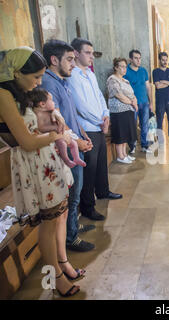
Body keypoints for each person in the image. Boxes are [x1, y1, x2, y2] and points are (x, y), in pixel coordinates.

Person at [0, 47, 81, 297]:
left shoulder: (23, 91)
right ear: (15, 72)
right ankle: (54, 277)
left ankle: (62, 262)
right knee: (48, 223)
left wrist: (55, 117)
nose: (38, 82)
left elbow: (40, 119)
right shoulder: (3, 95)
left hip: (44, 160)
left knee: (59, 216)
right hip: (32, 163)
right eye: (35, 77)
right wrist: (59, 134)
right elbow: (26, 141)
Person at [41, 39, 95, 253]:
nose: (73, 64)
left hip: (74, 141)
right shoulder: (49, 84)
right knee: (71, 196)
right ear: (54, 60)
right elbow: (53, 124)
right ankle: (71, 237)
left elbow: (70, 114)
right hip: (63, 150)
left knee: (76, 193)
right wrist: (77, 141)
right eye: (69, 59)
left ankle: (73, 226)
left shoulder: (62, 80)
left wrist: (82, 134)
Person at [68, 38, 122, 222]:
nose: (92, 56)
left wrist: (106, 115)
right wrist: (100, 121)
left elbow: (99, 95)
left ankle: (103, 191)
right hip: (87, 128)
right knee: (89, 169)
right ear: (76, 53)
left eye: (92, 53)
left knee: (100, 164)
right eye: (88, 53)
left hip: (100, 124)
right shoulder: (73, 75)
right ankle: (88, 207)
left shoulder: (89, 73)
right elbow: (80, 105)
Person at [30, 89, 86, 168]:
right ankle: (66, 159)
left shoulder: (51, 112)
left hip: (60, 134)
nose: (54, 102)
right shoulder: (39, 114)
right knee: (62, 144)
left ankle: (76, 158)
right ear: (42, 104)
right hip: (54, 136)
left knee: (73, 143)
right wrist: (55, 128)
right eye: (51, 100)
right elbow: (41, 128)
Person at [106, 58, 138, 164]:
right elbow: (119, 95)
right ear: (116, 67)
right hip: (118, 112)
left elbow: (132, 94)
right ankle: (120, 156)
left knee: (125, 134)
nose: (124, 69)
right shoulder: (112, 79)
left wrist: (135, 101)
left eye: (125, 66)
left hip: (128, 110)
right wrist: (132, 102)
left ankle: (124, 154)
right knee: (120, 134)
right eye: (122, 66)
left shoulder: (126, 80)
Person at [124, 49, 153, 153]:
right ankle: (132, 146)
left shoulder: (143, 70)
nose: (138, 60)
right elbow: (123, 87)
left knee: (144, 124)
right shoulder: (126, 71)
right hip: (132, 103)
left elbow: (148, 87)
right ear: (130, 59)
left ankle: (144, 145)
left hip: (144, 102)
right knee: (132, 125)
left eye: (139, 58)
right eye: (136, 58)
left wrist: (151, 102)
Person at [152, 52, 169, 139]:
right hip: (160, 100)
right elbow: (158, 86)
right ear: (159, 60)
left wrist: (164, 81)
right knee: (159, 119)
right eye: (163, 60)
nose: (165, 62)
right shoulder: (155, 71)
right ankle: (160, 140)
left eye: (166, 60)